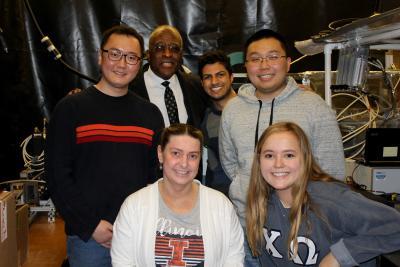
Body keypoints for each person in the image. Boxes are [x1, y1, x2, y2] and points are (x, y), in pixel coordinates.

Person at [219, 28, 345, 266]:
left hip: (302, 236)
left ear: (288, 62)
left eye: (273, 57)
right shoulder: (233, 110)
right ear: (246, 65)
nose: (264, 65)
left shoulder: (313, 106)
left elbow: (333, 172)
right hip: (247, 232)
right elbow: (231, 165)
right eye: (255, 59)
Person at [45, 25, 164, 267]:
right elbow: (57, 176)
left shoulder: (150, 115)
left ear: (140, 63)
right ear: (100, 56)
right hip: (88, 239)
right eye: (114, 54)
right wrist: (90, 225)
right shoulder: (71, 109)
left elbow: (155, 177)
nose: (122, 64)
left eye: (131, 57)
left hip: (137, 235)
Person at [246, 121, 400, 266]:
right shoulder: (261, 203)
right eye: (269, 155)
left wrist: (338, 256)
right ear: (259, 161)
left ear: (305, 159)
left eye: (289, 155)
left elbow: (395, 227)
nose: (278, 164)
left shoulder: (331, 199)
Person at [111, 124, 244, 266]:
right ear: (160, 154)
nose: (184, 163)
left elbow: (233, 260)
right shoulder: (134, 206)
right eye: (176, 153)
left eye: (192, 156)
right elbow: (122, 262)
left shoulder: (221, 206)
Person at [130, 25, 208, 128]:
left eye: (174, 48)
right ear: (148, 54)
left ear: (181, 55)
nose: (167, 54)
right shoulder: (130, 89)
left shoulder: (197, 86)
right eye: (159, 47)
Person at [198, 50, 236, 196]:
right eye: (208, 77)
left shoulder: (253, 107)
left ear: (231, 77)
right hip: (224, 200)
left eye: (220, 75)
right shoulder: (207, 121)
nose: (214, 82)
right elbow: (214, 169)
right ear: (202, 83)